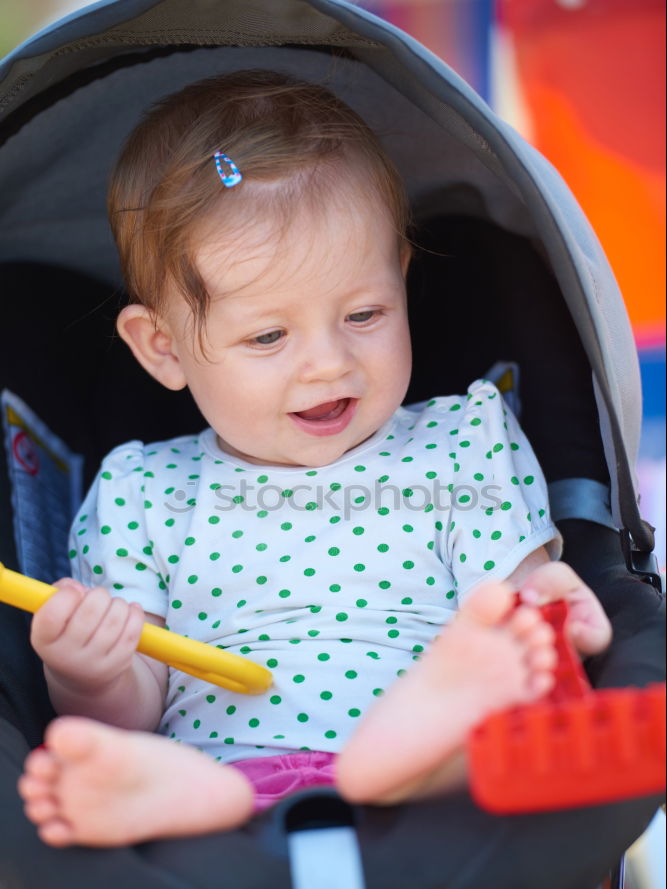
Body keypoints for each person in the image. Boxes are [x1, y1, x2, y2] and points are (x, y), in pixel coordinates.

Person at [17, 71, 611, 847]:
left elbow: (518, 610)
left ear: (400, 281)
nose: (329, 364)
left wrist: (548, 610)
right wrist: (87, 674)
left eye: (364, 315)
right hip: (228, 797)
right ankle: (170, 792)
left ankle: (403, 736)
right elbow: (137, 701)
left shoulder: (462, 442)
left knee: (485, 691)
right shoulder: (142, 491)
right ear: (162, 347)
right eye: (269, 337)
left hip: (436, 781)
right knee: (161, 761)